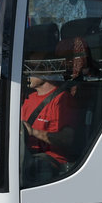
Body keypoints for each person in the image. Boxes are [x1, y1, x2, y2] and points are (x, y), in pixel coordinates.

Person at [20, 55, 80, 186]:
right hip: (26, 155)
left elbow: (68, 139)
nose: (26, 74)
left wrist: (33, 132)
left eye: (30, 70)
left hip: (51, 161)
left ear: (46, 71)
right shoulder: (29, 99)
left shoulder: (62, 100)